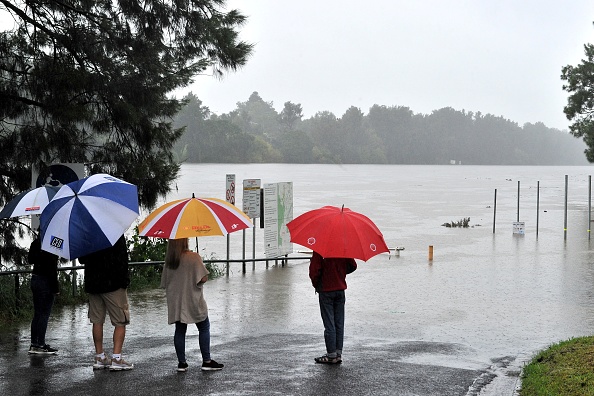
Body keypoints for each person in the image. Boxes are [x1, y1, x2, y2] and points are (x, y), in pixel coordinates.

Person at [160, 238, 224, 372]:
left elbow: (165, 282)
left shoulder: (169, 261)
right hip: (192, 299)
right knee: (204, 326)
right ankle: (206, 361)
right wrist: (199, 263)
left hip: (176, 301)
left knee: (180, 330)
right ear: (184, 241)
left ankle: (182, 363)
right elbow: (204, 278)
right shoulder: (194, 257)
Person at [79, 235, 133, 371]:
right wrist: (124, 281)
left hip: (94, 284)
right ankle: (117, 358)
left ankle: (99, 356)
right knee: (120, 321)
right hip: (113, 284)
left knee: (97, 321)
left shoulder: (88, 234)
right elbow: (122, 259)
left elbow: (81, 259)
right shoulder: (115, 233)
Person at [309, 251, 357, 364]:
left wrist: (317, 284)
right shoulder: (343, 248)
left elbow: (314, 271)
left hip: (326, 290)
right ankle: (338, 353)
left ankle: (331, 355)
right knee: (339, 323)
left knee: (329, 323)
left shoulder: (320, 249)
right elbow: (353, 266)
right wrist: (340, 274)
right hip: (340, 290)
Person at [28, 236, 59, 355]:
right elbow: (52, 268)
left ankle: (34, 344)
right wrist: (55, 288)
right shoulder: (52, 243)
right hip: (46, 281)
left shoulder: (36, 242)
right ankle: (40, 344)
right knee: (44, 314)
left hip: (35, 278)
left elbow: (30, 259)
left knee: (37, 313)